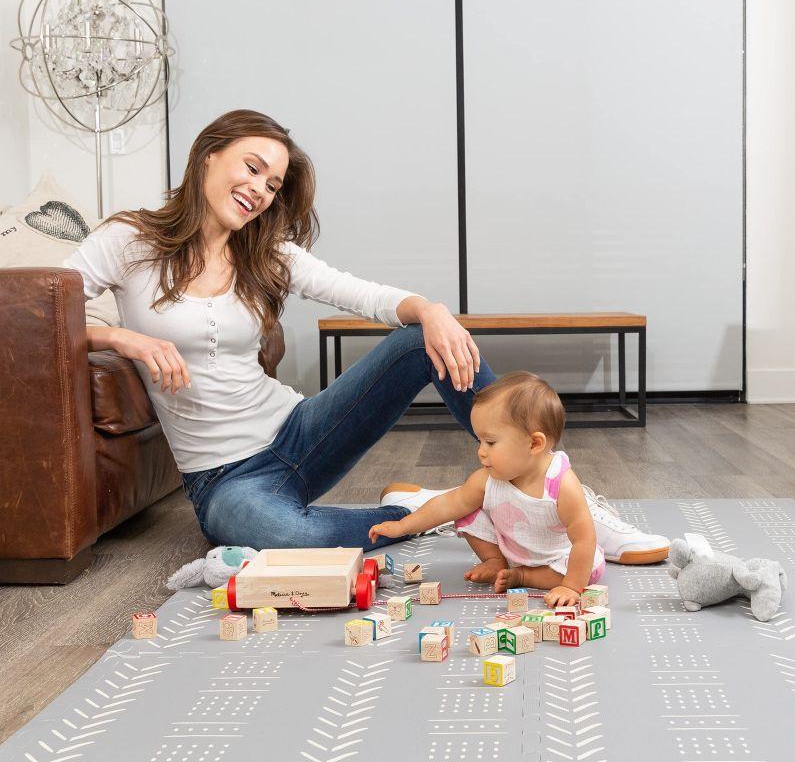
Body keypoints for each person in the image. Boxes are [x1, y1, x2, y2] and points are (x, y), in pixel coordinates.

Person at [65, 109, 494, 551]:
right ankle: (433, 511)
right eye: (252, 168)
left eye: (272, 185)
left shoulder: (265, 252)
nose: (259, 191)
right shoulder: (129, 239)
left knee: (420, 340)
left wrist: (431, 310)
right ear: (208, 156)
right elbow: (40, 317)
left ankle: (541, 481)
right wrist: (119, 337)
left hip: (300, 433)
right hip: (223, 479)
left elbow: (360, 294)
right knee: (286, 533)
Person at [370, 372, 666, 607]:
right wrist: (401, 526)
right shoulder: (489, 479)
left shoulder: (561, 483)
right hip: (510, 548)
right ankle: (495, 561)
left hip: (556, 559)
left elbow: (584, 539)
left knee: (591, 566)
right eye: (479, 442)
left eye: (490, 442)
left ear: (534, 443)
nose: (481, 452)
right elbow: (448, 504)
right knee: (467, 513)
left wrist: (571, 587)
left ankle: (525, 576)